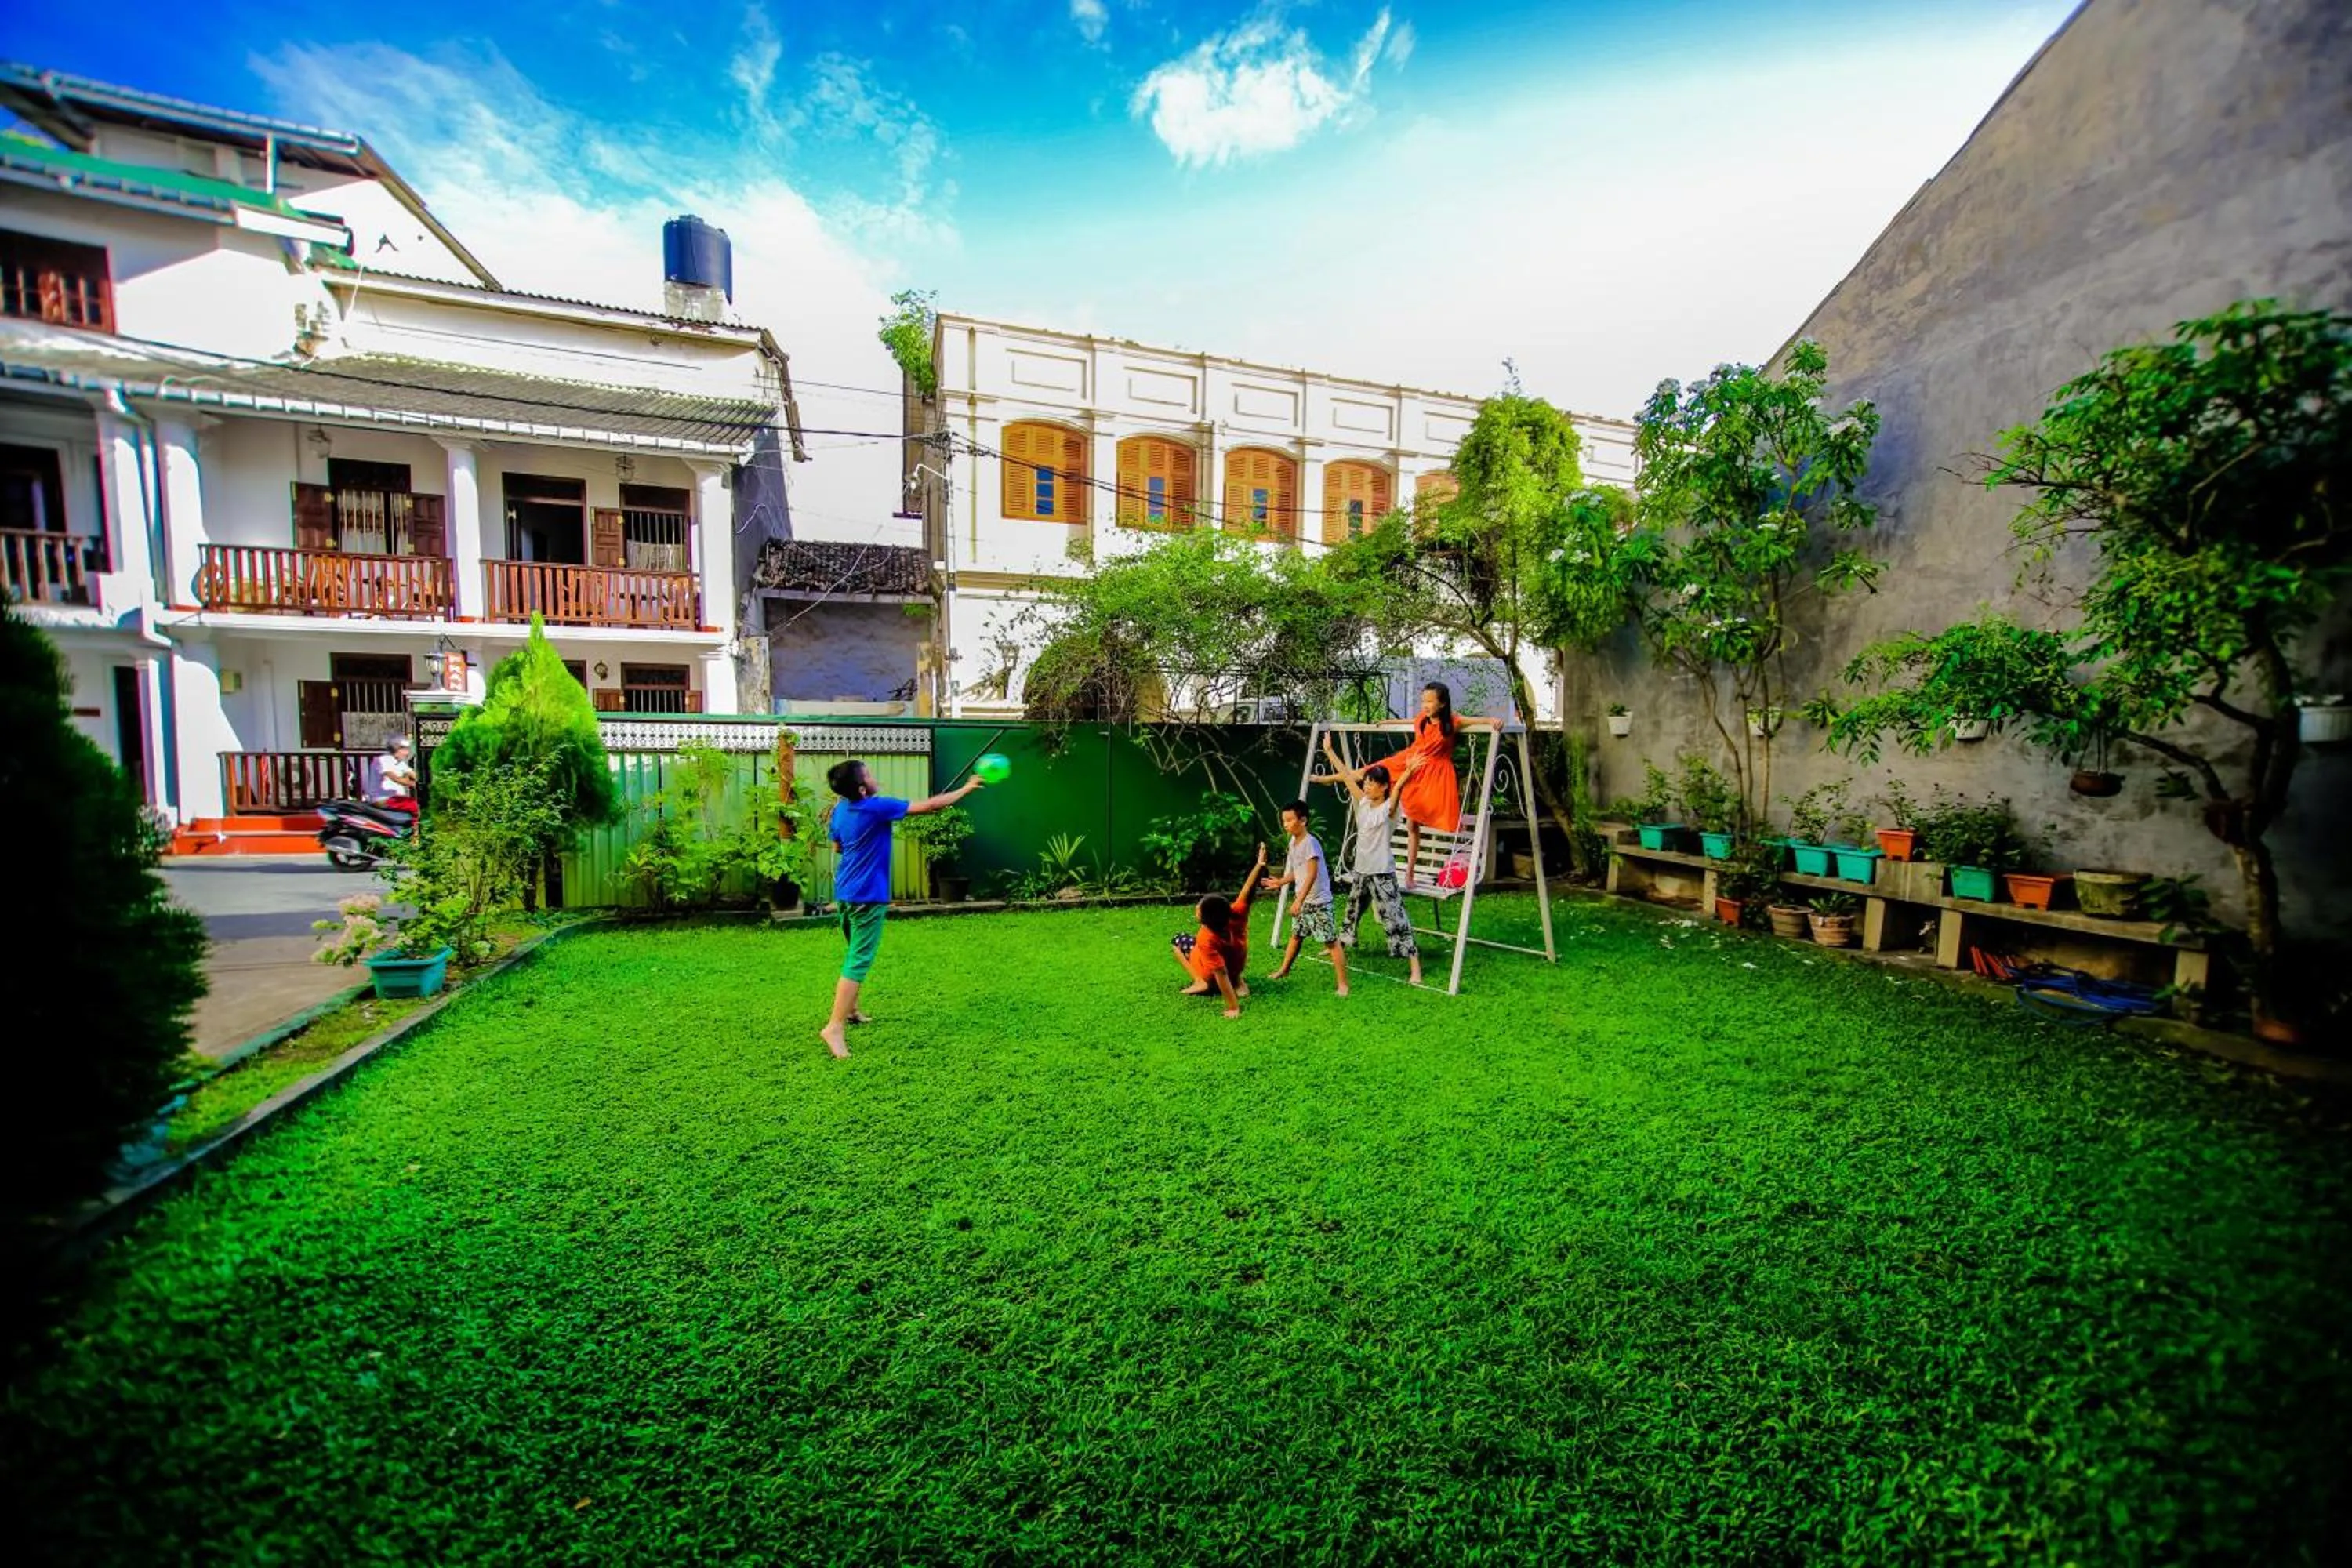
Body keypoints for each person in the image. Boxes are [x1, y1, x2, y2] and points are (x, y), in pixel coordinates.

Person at [820, 758, 987, 1059]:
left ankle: (852, 1009)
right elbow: (931, 806)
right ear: (862, 788)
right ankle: (834, 1027)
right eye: (869, 774)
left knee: (854, 952)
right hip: (867, 898)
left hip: (845, 894)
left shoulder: (841, 810)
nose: (874, 777)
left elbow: (838, 847)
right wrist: (967, 788)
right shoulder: (877, 807)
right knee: (858, 961)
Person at [1310, 739, 1425, 986]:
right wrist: (1329, 751)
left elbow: (1397, 791)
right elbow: (1346, 776)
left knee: (1396, 918)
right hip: (1361, 870)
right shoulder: (1363, 802)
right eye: (1367, 782)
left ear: (1383, 787)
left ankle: (1415, 968)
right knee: (1352, 912)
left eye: (1372, 783)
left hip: (1382, 872)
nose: (1367, 785)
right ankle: (1339, 945)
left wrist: (1407, 772)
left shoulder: (1390, 810)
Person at [1374, 681, 1503, 890]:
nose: (1425, 705)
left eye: (1430, 701)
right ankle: (1409, 875)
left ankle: (1409, 874)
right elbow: (1410, 720)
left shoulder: (1452, 721)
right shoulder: (1422, 720)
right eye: (1423, 701)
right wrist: (1388, 721)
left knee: (1418, 820)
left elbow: (1476, 720)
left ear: (1442, 704)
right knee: (1411, 823)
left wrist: (1492, 720)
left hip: (1435, 776)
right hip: (1416, 771)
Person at [1172, 843, 1269, 1018]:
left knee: (1178, 940)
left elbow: (1220, 972)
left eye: (1199, 910)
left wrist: (1233, 1007)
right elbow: (1248, 889)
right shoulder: (1236, 913)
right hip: (1236, 966)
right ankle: (1237, 982)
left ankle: (1199, 982)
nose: (1196, 909)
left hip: (1210, 976)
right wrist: (1259, 866)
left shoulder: (1206, 937)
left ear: (1206, 920)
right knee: (1229, 960)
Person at [1265, 799, 1348, 996]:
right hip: (1304, 900)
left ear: (1303, 821)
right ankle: (1284, 970)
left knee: (1331, 942)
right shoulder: (1294, 842)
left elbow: (1311, 874)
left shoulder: (1310, 843)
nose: (1285, 824)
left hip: (1319, 902)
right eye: (1283, 821)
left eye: (1289, 820)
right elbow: (1298, 870)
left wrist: (1298, 900)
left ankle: (1343, 984)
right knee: (1296, 936)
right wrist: (1281, 882)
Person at [370, 738, 419, 814]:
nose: (408, 753)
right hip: (383, 799)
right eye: (405, 750)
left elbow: (413, 774)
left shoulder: (400, 762)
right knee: (415, 806)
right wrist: (413, 784)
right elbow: (396, 779)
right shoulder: (384, 760)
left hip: (397, 799)